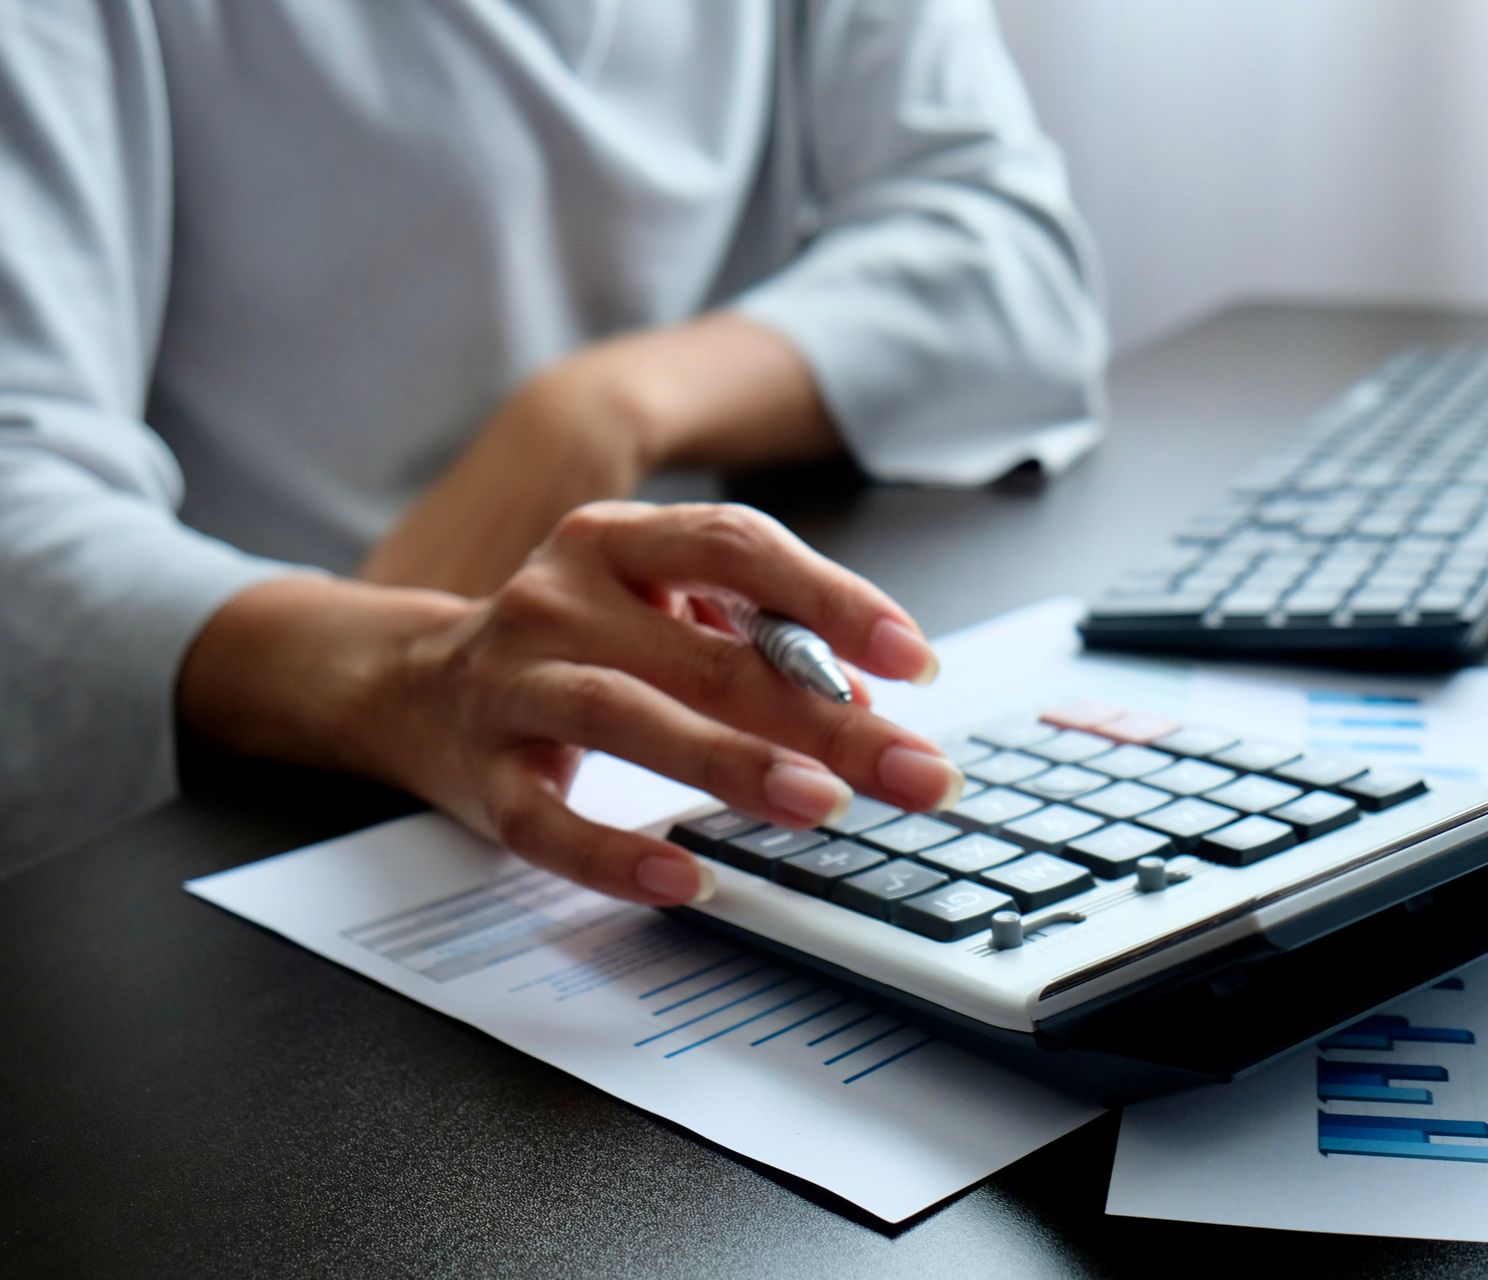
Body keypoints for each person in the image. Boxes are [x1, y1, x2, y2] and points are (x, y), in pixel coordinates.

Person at [0, 0, 1107, 888]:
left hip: (621, 753)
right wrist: (409, 667)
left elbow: (1010, 258)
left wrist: (604, 409)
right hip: (267, 771)